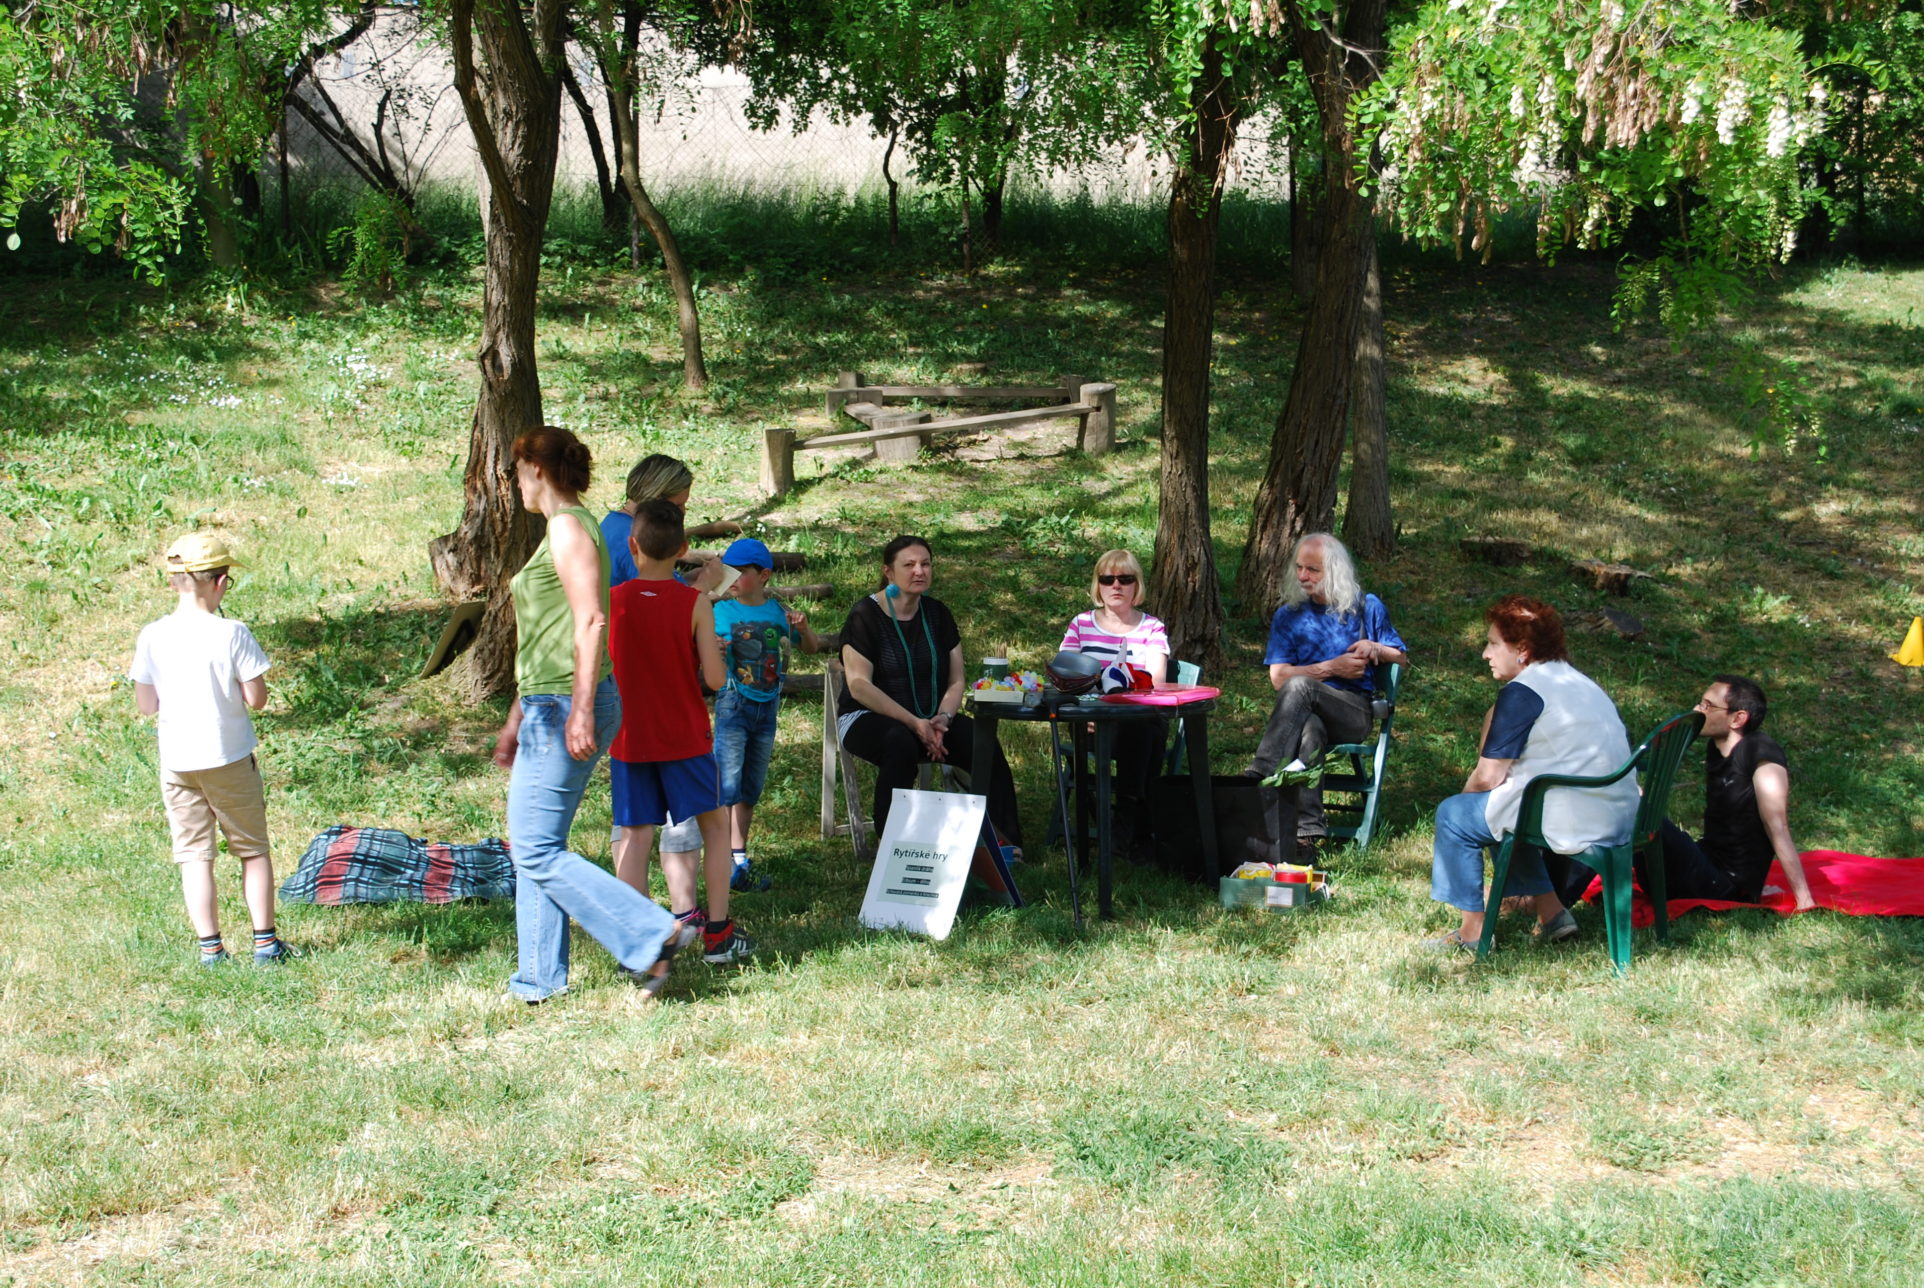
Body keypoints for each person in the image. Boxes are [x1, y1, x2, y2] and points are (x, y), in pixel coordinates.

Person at [492, 427, 680, 1003]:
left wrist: (578, 711)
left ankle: (651, 932)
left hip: (565, 704)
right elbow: (546, 635)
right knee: (536, 845)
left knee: (535, 848)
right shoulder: (567, 526)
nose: (515, 484)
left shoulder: (569, 528)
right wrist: (515, 716)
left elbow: (590, 620)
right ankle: (539, 979)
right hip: (546, 700)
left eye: (516, 472)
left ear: (536, 469)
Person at [1427, 595, 1639, 951]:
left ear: (1522, 650)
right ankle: (1552, 914)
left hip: (1576, 816)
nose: (1485, 654)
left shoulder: (1523, 692)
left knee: (1456, 815)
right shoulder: (1578, 681)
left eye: (1494, 644)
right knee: (1502, 812)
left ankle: (1473, 934)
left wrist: (1462, 810)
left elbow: (1487, 776)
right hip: (1619, 812)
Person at [129, 533, 290, 966]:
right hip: (229, 759)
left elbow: (146, 704)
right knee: (252, 850)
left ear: (172, 582)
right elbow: (258, 699)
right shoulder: (232, 632)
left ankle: (211, 950)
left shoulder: (152, 635)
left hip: (178, 763)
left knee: (194, 855)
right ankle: (265, 945)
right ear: (220, 582)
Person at [608, 500, 757, 965]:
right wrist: (708, 652)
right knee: (716, 827)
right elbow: (714, 679)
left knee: (634, 836)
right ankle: (718, 934)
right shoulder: (694, 602)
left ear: (632, 545)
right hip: (685, 737)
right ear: (683, 549)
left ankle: (635, 944)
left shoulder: (612, 600)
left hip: (629, 737)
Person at [601, 453, 746, 896]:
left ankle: (642, 921)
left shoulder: (618, 533)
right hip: (662, 710)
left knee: (634, 824)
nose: (682, 514)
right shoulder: (619, 539)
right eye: (679, 507)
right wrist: (699, 596)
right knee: (680, 821)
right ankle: (690, 912)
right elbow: (651, 609)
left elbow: (649, 596)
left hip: (632, 716)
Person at [1557, 675, 1817, 912]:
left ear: (1738, 718)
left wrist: (1803, 898)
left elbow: (1777, 824)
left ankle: (1556, 906)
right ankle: (1551, 900)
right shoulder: (1716, 749)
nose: (1697, 710)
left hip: (1723, 886)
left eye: (1708, 706)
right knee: (1617, 806)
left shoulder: (1761, 751)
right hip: (1699, 867)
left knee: (1624, 810)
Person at [839, 534, 1024, 849]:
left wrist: (943, 719)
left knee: (981, 741)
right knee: (898, 742)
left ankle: (1001, 841)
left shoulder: (937, 614)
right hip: (867, 717)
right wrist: (915, 724)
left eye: (925, 564)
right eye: (909, 565)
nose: (919, 571)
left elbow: (956, 680)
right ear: (888, 572)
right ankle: (892, 842)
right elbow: (859, 686)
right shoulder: (865, 615)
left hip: (932, 719)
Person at [1248, 533, 1409, 861]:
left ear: (1334, 571)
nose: (1302, 576)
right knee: (1310, 728)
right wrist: (1331, 667)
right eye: (1299, 568)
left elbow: (1401, 657)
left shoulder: (1366, 607)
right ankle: (1306, 835)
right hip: (1304, 714)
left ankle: (1259, 773)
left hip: (1353, 712)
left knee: (1300, 685)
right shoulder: (1288, 616)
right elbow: (1278, 678)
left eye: (1313, 569)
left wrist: (1376, 648)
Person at [711, 536, 821, 889]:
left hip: (766, 708)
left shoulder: (777, 613)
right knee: (727, 784)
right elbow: (704, 656)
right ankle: (720, 858)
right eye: (727, 571)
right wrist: (715, 649)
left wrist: (803, 629)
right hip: (733, 705)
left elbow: (811, 647)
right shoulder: (720, 612)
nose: (731, 578)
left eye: (740, 572)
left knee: (750, 787)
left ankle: (739, 857)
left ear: (764, 576)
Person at [1059, 548, 1169, 843]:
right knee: (1150, 735)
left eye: (1125, 579)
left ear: (1137, 585)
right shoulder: (1081, 624)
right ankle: (1135, 822)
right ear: (1098, 585)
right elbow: (1065, 679)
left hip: (1136, 719)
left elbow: (1155, 684)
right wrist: (1087, 715)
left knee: (1142, 728)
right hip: (1089, 723)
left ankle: (1123, 821)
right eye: (1107, 579)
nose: (1116, 585)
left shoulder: (1152, 627)